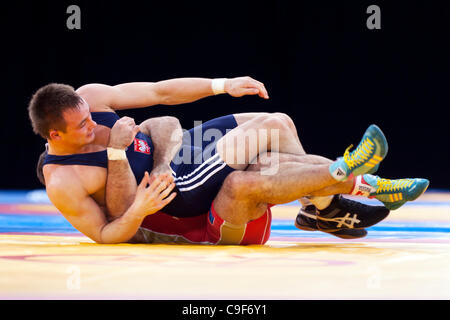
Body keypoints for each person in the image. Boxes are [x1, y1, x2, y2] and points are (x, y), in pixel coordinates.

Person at [28, 77, 429, 244]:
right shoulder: (63, 180)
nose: (93, 126)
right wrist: (118, 155)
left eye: (89, 116)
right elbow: (105, 234)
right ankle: (355, 181)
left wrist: (223, 85)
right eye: (82, 127)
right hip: (174, 191)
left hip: (177, 157)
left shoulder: (92, 99)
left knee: (280, 124)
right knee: (267, 130)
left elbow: (160, 94)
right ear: (54, 136)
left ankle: (321, 205)